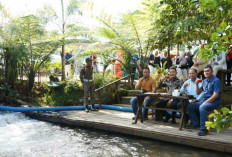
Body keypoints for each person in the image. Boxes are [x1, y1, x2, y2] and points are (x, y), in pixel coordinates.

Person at [187, 65, 221, 136]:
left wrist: (205, 102)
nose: (206, 72)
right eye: (205, 71)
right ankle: (196, 123)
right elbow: (198, 92)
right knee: (191, 106)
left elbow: (215, 95)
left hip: (214, 102)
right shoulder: (204, 81)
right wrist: (196, 85)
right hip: (205, 100)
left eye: (208, 71)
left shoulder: (216, 81)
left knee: (202, 107)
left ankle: (204, 129)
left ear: (212, 71)